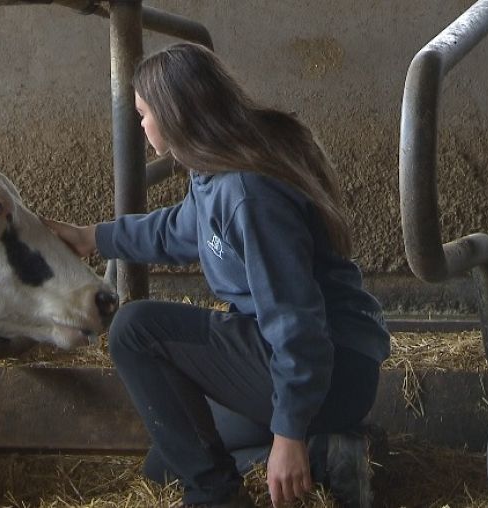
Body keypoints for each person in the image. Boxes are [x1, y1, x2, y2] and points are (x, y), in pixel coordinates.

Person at [44, 42, 390, 508]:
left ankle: (218, 498)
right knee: (168, 459)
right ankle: (332, 456)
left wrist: (288, 432)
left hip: (328, 368)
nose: (141, 125)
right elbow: (178, 229)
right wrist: (92, 238)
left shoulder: (249, 195)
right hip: (305, 364)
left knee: (133, 329)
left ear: (172, 115)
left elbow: (297, 323)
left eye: (144, 113)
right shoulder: (218, 172)